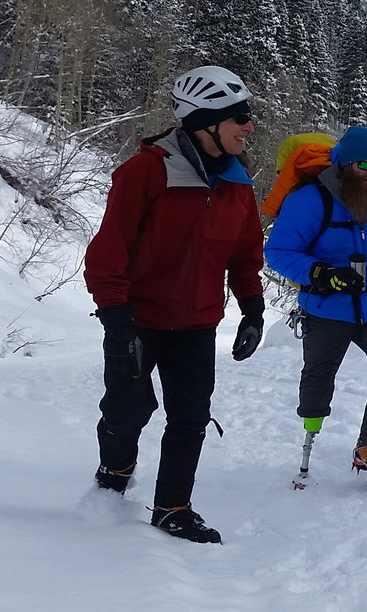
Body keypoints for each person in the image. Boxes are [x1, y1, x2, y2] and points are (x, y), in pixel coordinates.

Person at [84, 65, 266, 544]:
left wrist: (252, 307)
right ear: (205, 120)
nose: (249, 126)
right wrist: (116, 317)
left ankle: (172, 508)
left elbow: (246, 252)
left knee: (189, 417)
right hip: (139, 319)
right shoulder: (147, 171)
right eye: (239, 116)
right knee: (127, 410)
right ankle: (114, 472)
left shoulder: (237, 181)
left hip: (197, 324)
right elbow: (109, 249)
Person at [263, 125, 367, 488]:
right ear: (345, 163)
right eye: (364, 165)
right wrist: (320, 273)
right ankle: (310, 432)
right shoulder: (311, 198)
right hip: (327, 306)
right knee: (318, 378)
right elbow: (278, 252)